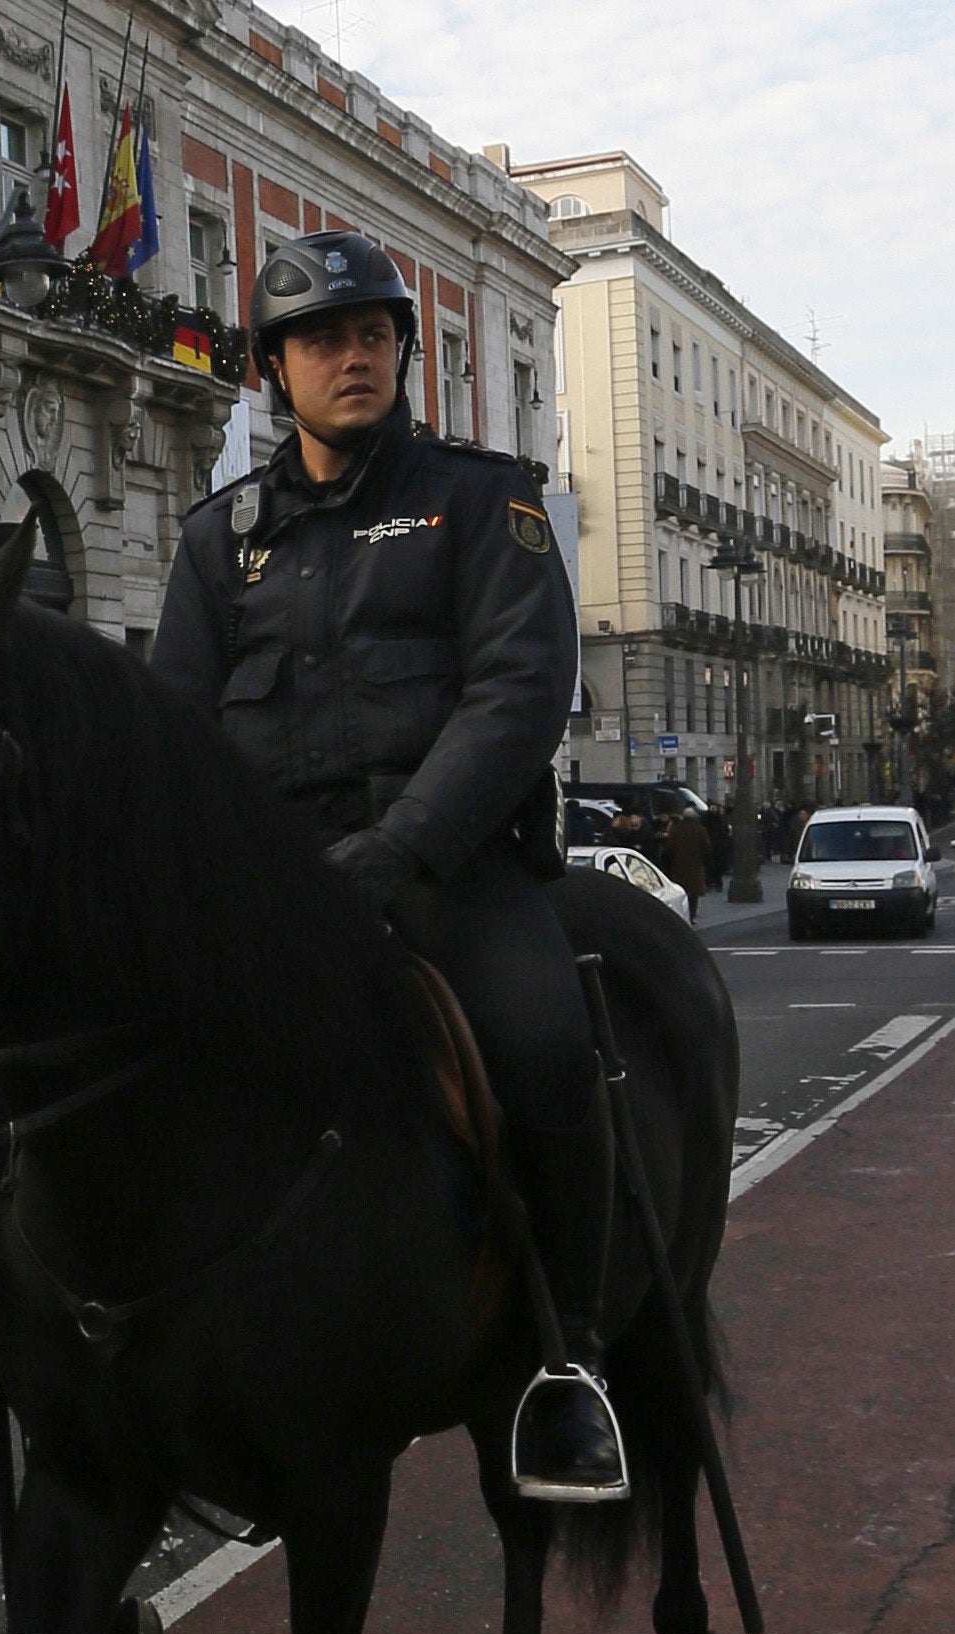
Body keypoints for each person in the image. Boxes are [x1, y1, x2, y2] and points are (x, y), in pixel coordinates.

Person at [150, 231, 625, 1502]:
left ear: (403, 356)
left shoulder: (483, 501)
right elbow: (173, 735)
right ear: (273, 371)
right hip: (274, 898)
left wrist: (398, 849)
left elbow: (522, 695)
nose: (351, 357)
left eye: (372, 335)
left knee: (545, 1053)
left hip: (451, 879)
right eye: (320, 339)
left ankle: (566, 1363)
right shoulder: (218, 541)